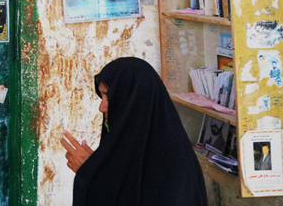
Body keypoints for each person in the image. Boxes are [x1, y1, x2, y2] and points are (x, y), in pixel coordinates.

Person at [61, 57, 207, 206]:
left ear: (133, 102)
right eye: (102, 96)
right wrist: (98, 171)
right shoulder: (135, 144)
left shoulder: (174, 166)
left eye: (108, 97)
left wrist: (92, 178)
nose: (102, 107)